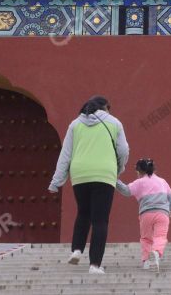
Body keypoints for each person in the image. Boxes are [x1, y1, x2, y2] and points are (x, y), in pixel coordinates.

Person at [48, 95, 129, 274]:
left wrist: (57, 181)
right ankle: (95, 265)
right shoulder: (115, 123)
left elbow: (65, 154)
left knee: (83, 212)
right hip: (104, 174)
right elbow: (123, 150)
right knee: (100, 220)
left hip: (80, 175)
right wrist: (118, 168)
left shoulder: (75, 124)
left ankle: (76, 250)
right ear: (105, 107)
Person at [116, 158, 171, 272]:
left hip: (146, 214)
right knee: (160, 237)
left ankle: (146, 261)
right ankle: (156, 253)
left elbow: (126, 191)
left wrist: (115, 180)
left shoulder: (139, 182)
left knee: (146, 238)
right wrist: (169, 211)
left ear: (140, 171)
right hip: (162, 213)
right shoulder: (162, 181)